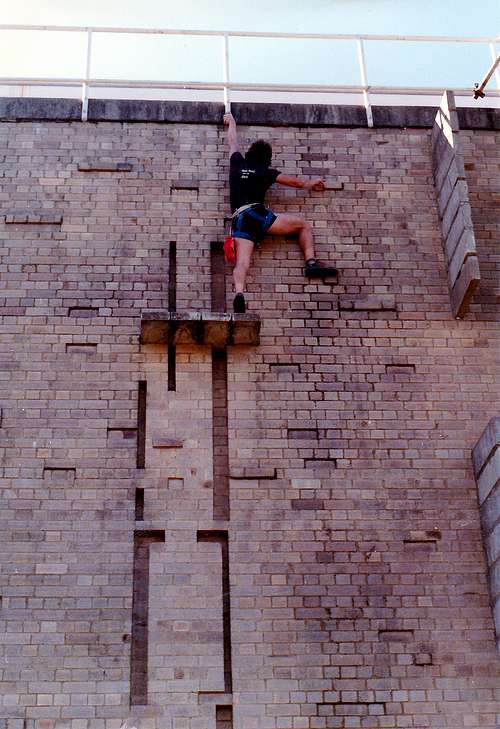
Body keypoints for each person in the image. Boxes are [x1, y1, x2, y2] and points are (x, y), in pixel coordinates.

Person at [223, 112, 338, 313]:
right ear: (266, 159)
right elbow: (295, 182)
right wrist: (311, 183)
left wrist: (231, 121)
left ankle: (239, 293)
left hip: (239, 219)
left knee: (242, 262)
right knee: (302, 224)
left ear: (249, 154)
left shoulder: (237, 163)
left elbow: (233, 141)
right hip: (257, 214)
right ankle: (311, 262)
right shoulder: (265, 171)